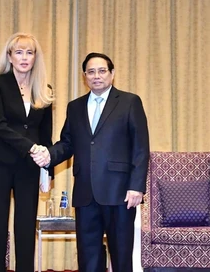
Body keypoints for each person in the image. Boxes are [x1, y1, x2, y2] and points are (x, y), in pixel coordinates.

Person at [32, 52, 150, 272]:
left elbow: (141, 147)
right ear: (84, 76)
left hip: (119, 192)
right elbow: (67, 143)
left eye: (102, 71)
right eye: (91, 72)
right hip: (85, 192)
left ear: (112, 74)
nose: (97, 76)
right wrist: (48, 156)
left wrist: (137, 186)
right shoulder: (75, 107)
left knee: (121, 256)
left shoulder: (129, 102)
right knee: (88, 257)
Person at [0, 32, 54, 272]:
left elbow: (46, 134)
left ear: (35, 57)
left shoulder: (44, 88)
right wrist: (31, 147)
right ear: (10, 57)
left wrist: (48, 166)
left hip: (29, 166)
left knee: (25, 226)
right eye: (19, 52)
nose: (24, 58)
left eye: (30, 52)